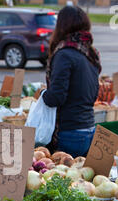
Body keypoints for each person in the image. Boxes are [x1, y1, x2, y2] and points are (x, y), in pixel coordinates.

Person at [42, 6, 102, 158]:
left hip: (70, 131)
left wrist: (43, 95)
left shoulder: (64, 54)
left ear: (61, 26)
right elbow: (94, 93)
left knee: (63, 179)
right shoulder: (90, 53)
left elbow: (56, 96)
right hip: (89, 128)